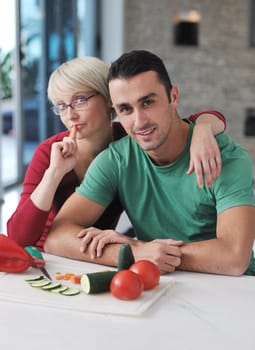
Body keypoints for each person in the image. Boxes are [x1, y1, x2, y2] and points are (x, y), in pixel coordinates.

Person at [44, 50, 255, 276]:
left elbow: (233, 257)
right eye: (125, 109)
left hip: (233, 291)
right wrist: (132, 252)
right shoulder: (116, 159)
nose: (139, 121)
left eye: (147, 102)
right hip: (157, 283)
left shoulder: (226, 157)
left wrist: (140, 248)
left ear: (173, 96)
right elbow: (57, 237)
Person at [7, 55, 226, 251]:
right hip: (47, 254)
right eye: (61, 106)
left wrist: (203, 129)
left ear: (108, 100)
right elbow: (18, 238)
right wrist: (54, 173)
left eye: (80, 100)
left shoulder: (132, 139)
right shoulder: (50, 152)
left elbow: (185, 121)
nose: (70, 115)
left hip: (97, 253)